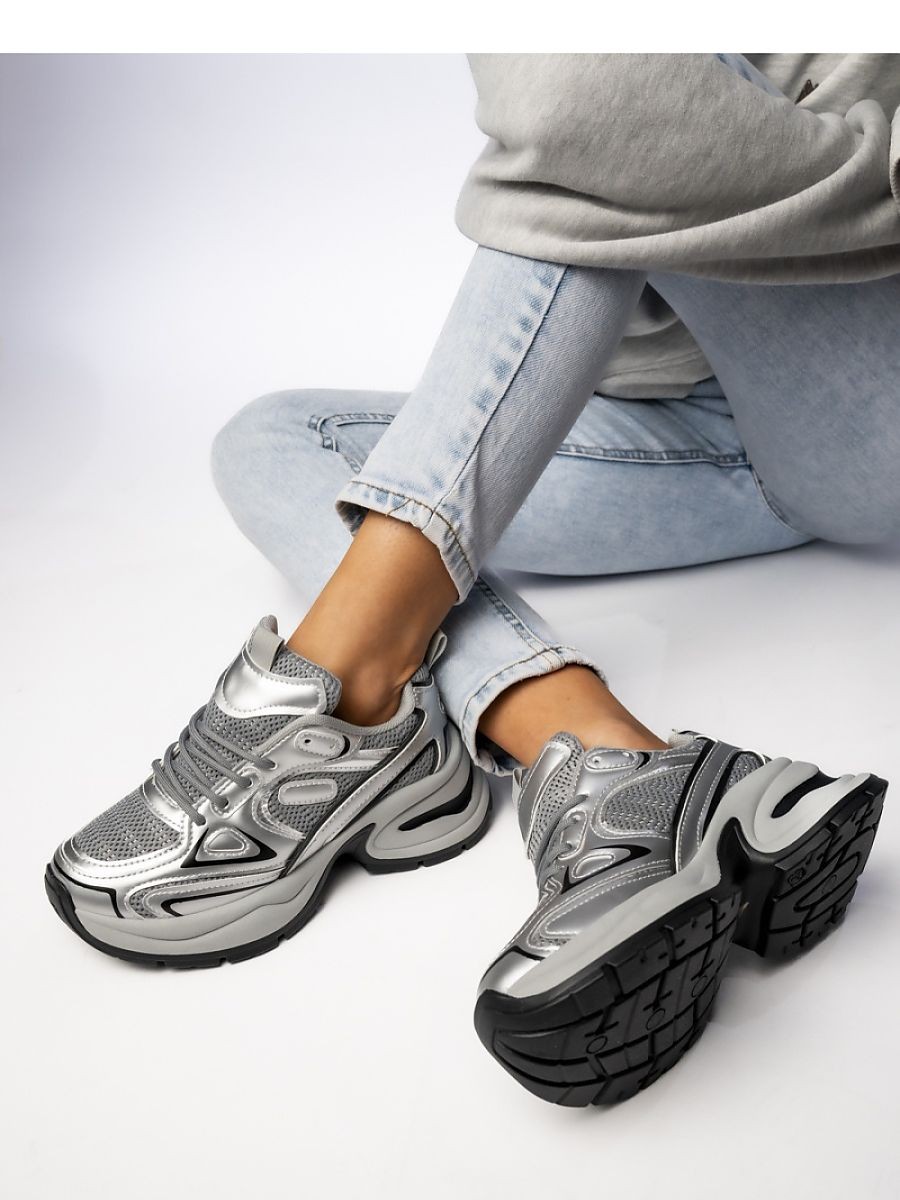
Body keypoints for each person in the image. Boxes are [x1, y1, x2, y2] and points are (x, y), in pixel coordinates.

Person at [45, 53, 897, 1107]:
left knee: (614, 117)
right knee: (271, 442)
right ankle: (599, 750)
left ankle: (348, 682)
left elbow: (581, 108)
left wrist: (685, 158)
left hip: (863, 392)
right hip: (682, 433)